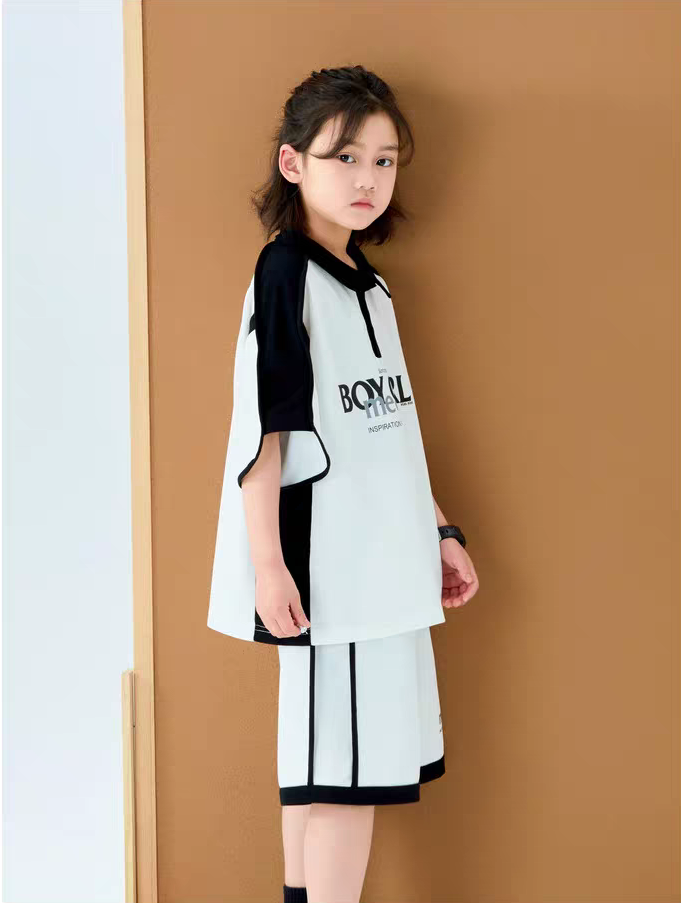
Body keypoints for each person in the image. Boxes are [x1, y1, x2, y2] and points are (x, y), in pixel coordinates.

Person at [207, 65, 480, 903]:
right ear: (294, 164)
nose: (367, 178)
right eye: (345, 157)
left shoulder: (369, 285)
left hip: (383, 568)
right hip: (334, 572)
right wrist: (268, 566)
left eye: (384, 160)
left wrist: (438, 529)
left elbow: (384, 436)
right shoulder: (285, 274)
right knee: (342, 781)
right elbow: (268, 433)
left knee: (326, 767)